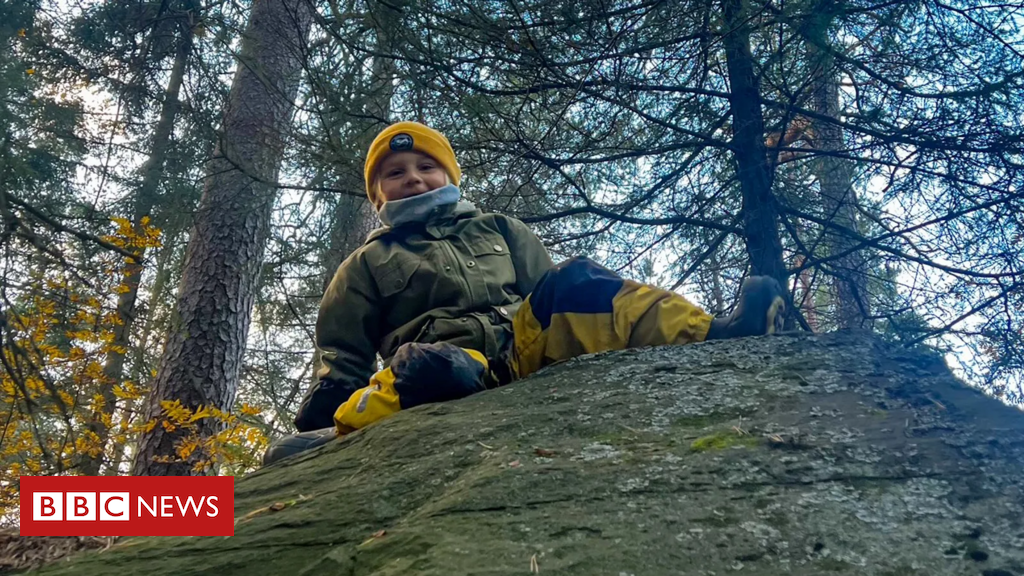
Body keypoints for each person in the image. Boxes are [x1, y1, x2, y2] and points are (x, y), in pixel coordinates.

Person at [263, 121, 786, 465]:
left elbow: (545, 294)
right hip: (449, 361)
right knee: (422, 367)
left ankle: (713, 334)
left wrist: (564, 316)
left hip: (522, 350)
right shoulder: (364, 264)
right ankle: (335, 439)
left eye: (427, 167)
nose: (414, 179)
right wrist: (321, 410)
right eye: (395, 173)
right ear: (378, 193)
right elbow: (343, 352)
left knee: (578, 281)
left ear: (449, 174)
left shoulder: (501, 229)